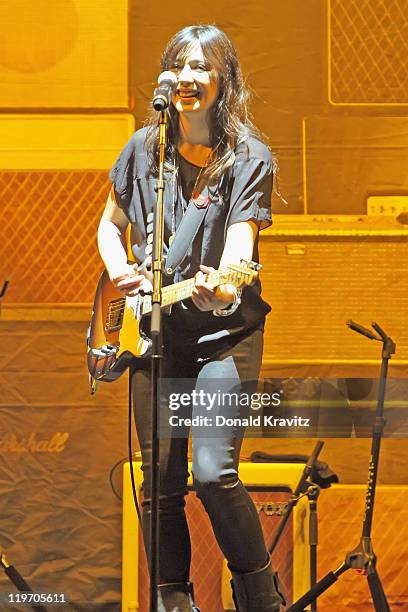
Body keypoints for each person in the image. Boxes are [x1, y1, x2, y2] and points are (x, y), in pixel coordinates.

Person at [98, 24, 285, 612]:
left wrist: (219, 290)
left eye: (203, 66)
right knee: (158, 486)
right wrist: (119, 269)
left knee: (210, 472)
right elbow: (110, 225)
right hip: (155, 335)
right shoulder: (141, 149)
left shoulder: (248, 157)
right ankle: (173, 602)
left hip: (223, 337)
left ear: (224, 79)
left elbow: (238, 255)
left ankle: (260, 599)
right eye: (179, 65)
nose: (188, 76)